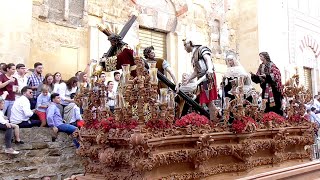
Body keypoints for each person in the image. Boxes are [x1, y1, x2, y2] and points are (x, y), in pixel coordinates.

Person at [182, 39, 218, 122]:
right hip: (202, 79)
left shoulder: (201, 49)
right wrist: (188, 79)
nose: (184, 47)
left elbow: (207, 59)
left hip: (207, 78)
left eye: (185, 45)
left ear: (191, 43)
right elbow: (197, 71)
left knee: (209, 101)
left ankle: (215, 121)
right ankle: (216, 118)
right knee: (207, 102)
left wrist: (209, 69)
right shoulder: (194, 54)